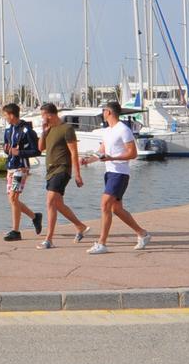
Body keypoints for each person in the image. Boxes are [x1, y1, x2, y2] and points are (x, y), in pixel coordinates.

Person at [84, 102, 149, 254]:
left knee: (105, 205)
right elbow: (101, 151)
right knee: (117, 209)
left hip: (120, 173)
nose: (102, 113)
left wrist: (112, 158)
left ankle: (102, 243)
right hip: (109, 173)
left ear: (109, 112)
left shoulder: (123, 129)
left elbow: (133, 153)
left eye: (103, 110)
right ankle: (142, 234)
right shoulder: (107, 131)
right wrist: (88, 160)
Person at [35, 103, 90, 248]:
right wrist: (43, 132)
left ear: (49, 114)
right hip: (50, 171)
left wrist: (77, 174)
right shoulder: (49, 129)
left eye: (42, 115)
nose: (42, 118)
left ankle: (49, 240)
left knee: (50, 201)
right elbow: (40, 148)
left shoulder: (67, 129)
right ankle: (80, 226)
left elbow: (74, 153)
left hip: (62, 169)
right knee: (58, 204)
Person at [0, 102, 42, 241]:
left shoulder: (27, 131)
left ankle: (16, 231)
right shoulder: (8, 131)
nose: (5, 117)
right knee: (12, 200)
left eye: (5, 115)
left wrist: (20, 152)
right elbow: (7, 147)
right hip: (11, 167)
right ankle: (35, 217)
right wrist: (7, 150)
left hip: (21, 168)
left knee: (13, 198)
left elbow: (37, 151)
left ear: (11, 115)